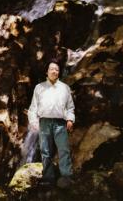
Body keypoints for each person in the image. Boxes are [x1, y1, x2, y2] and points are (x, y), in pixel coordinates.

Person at [28, 59, 75, 188]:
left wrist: (70, 119)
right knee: (45, 151)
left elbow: (70, 107)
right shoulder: (39, 87)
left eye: (57, 69)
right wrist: (34, 122)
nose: (54, 71)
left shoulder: (65, 88)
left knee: (64, 149)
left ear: (59, 72)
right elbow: (33, 108)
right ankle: (48, 177)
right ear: (47, 71)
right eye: (52, 69)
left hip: (60, 123)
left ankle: (66, 176)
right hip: (44, 122)